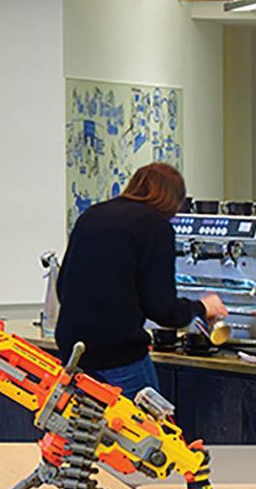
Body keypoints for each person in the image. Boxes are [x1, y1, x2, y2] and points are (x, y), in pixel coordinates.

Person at [53, 162, 224, 406]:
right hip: (118, 352)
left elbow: (63, 286)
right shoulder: (155, 226)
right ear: (173, 200)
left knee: (86, 426)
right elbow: (162, 309)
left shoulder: (92, 215)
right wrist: (202, 308)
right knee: (150, 426)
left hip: (74, 349)